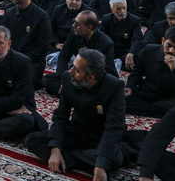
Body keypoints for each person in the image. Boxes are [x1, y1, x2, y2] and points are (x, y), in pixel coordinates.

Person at [25, 48, 127, 181]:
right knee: (32, 140)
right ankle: (80, 159)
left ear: (91, 78)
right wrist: (56, 150)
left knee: (112, 161)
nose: (71, 71)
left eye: (77, 70)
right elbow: (61, 116)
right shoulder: (68, 78)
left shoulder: (114, 86)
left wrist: (100, 166)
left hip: (100, 138)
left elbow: (114, 127)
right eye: (73, 66)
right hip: (76, 132)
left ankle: (77, 159)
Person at [125, 27, 175, 117]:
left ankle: (155, 110)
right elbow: (137, 72)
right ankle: (159, 112)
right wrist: (130, 86)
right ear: (163, 41)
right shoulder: (149, 50)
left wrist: (174, 70)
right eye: (169, 45)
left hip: (169, 98)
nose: (171, 51)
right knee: (120, 100)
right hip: (147, 92)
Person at [43, 11, 117, 96]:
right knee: (47, 80)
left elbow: (102, 71)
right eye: (74, 22)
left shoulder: (106, 43)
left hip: (93, 78)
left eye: (77, 24)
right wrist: (63, 79)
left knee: (102, 89)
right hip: (78, 73)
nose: (73, 25)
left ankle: (69, 94)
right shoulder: (74, 33)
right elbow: (64, 55)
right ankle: (74, 94)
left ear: (89, 27)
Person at [99, 0, 144, 72]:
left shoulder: (135, 20)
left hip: (127, 51)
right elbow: (102, 38)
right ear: (112, 10)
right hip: (111, 51)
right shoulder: (106, 19)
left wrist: (131, 53)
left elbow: (137, 39)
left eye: (124, 8)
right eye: (118, 9)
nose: (122, 11)